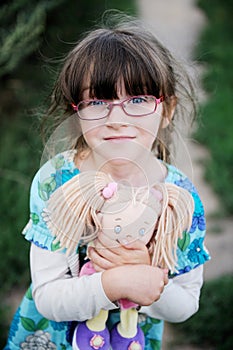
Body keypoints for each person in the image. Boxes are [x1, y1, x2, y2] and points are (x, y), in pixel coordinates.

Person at [4, 12, 210, 350]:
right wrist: (113, 283)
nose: (117, 119)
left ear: (167, 110)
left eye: (139, 100)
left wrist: (147, 279)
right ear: (76, 112)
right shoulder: (55, 183)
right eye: (98, 102)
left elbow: (185, 305)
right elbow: (48, 297)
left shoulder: (178, 198)